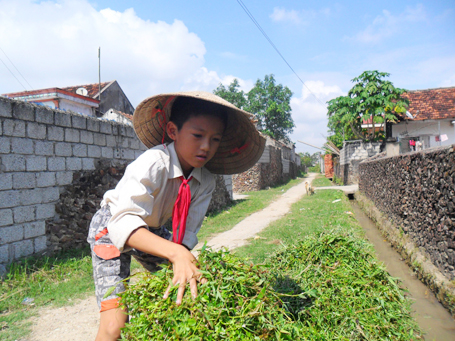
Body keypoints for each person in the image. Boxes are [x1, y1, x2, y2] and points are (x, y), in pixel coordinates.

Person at [87, 91, 265, 341]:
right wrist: (176, 253)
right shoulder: (153, 163)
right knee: (115, 325)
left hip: (152, 231)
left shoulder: (204, 181)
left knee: (192, 279)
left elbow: (187, 233)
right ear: (173, 131)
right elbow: (123, 222)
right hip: (112, 228)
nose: (206, 147)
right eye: (197, 135)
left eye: (215, 139)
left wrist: (180, 254)